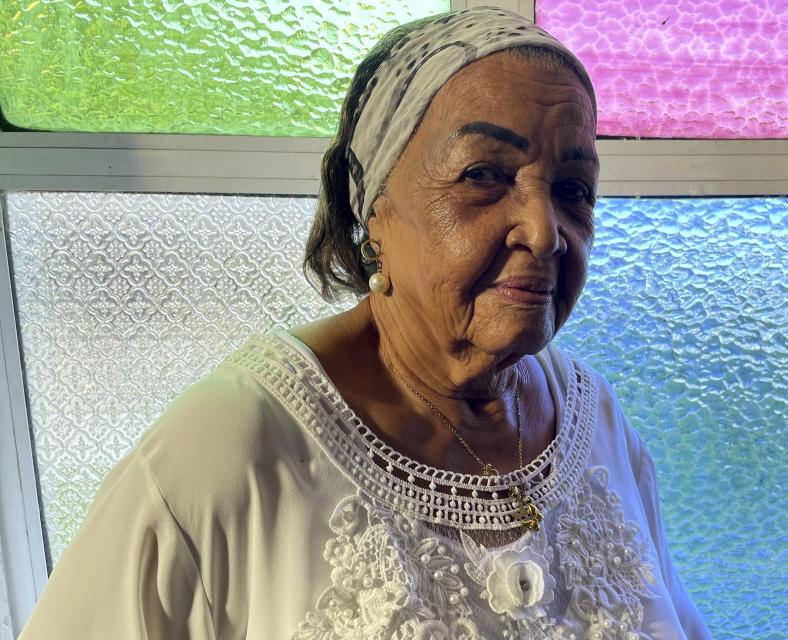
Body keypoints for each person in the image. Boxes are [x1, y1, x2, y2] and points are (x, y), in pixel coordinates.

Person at [18, 7, 711, 640]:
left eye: (574, 189)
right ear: (373, 209)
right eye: (483, 175)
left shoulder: (596, 425)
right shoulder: (232, 448)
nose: (544, 229)